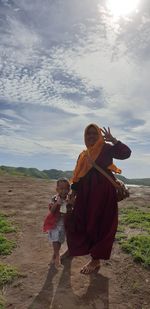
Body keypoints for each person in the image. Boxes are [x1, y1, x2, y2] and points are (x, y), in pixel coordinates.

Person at [65, 124, 131, 274]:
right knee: (78, 219)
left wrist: (113, 140)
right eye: (89, 134)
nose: (92, 136)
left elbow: (126, 153)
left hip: (103, 193)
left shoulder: (106, 148)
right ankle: (74, 248)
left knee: (100, 224)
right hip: (85, 193)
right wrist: (73, 192)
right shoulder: (84, 154)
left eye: (95, 133)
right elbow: (78, 176)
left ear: (100, 135)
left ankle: (95, 260)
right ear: (84, 136)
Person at [43, 178, 72, 269]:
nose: (64, 191)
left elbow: (71, 211)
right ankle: (57, 256)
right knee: (55, 239)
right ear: (57, 189)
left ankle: (55, 254)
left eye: (66, 189)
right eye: (61, 189)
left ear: (69, 189)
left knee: (59, 240)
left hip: (63, 224)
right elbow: (51, 211)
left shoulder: (69, 199)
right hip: (55, 223)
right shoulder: (54, 198)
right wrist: (57, 204)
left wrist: (70, 204)